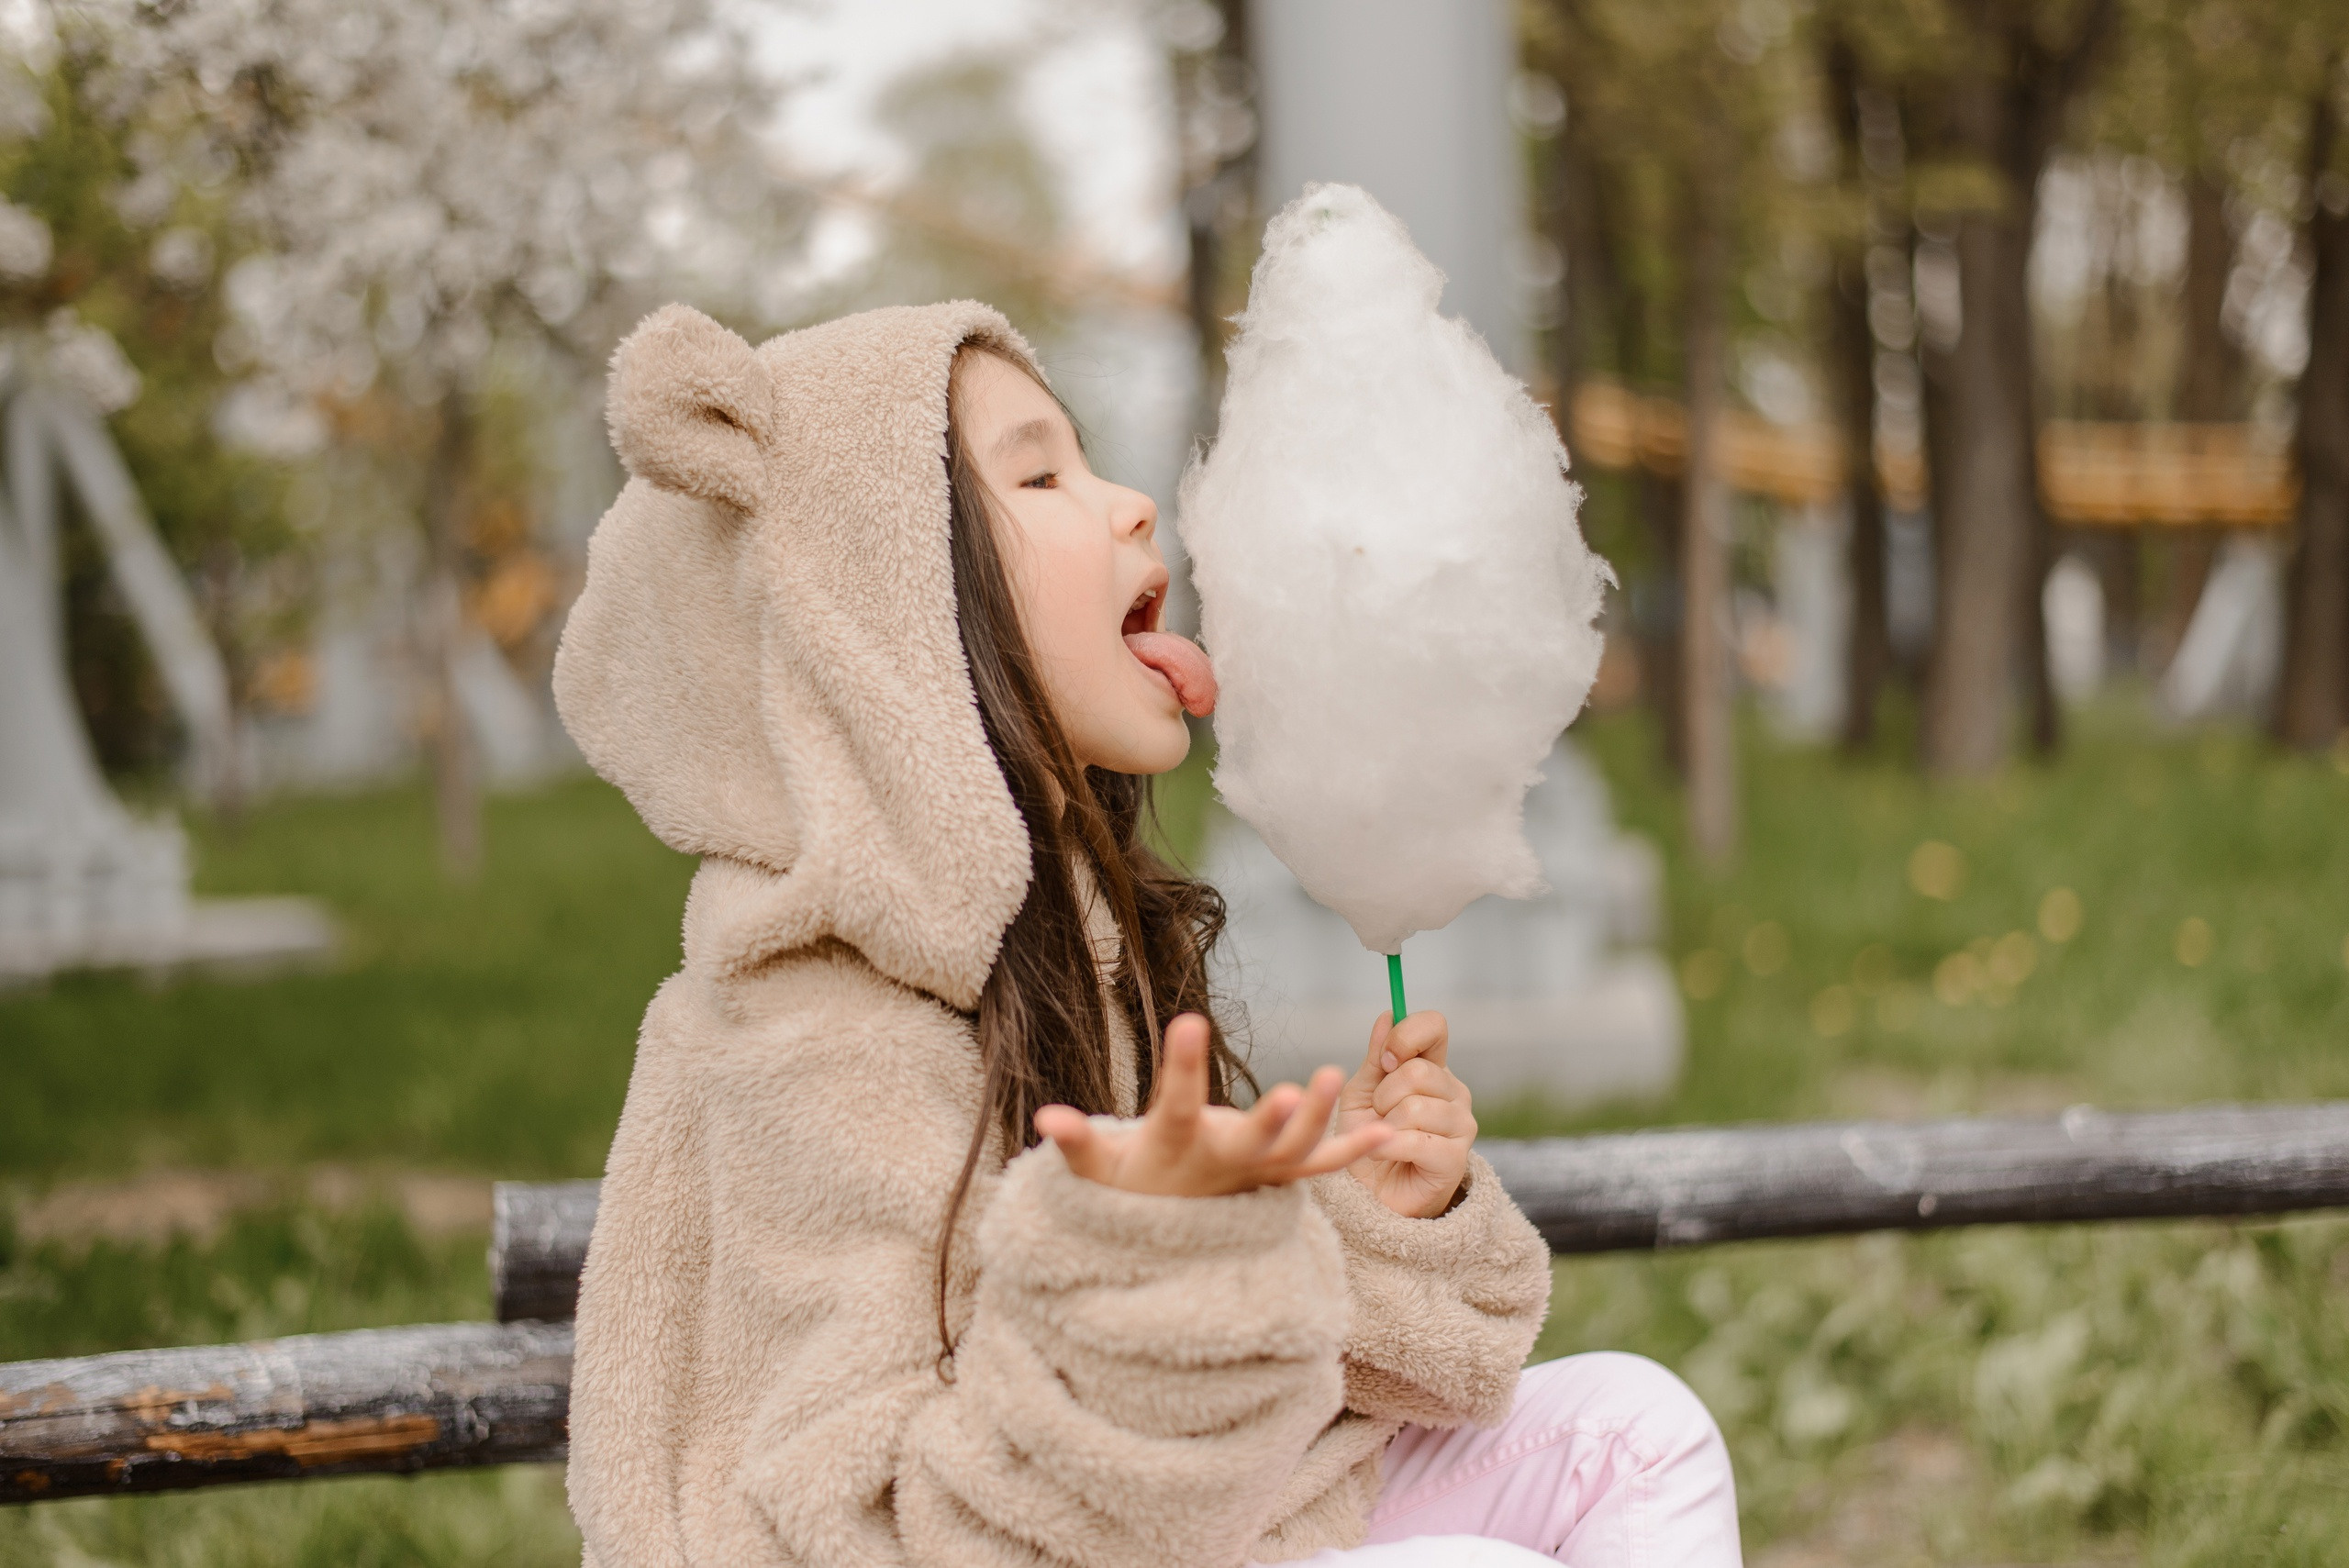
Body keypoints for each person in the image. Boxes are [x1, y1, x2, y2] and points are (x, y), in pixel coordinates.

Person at [551, 299, 1742, 1568]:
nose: (1129, 502)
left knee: (1634, 1428)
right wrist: (1143, 1285)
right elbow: (856, 1528)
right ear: (881, 611)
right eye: (1041, 472)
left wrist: (1372, 1213)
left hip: (1176, 1532)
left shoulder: (1067, 945)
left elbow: (1241, 1393)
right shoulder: (815, 1044)